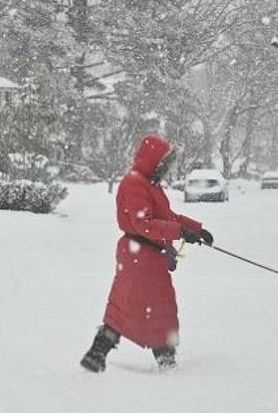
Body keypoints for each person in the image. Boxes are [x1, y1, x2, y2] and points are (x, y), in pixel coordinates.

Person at [80, 134, 214, 373]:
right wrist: (179, 232)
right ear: (153, 160)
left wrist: (196, 229)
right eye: (164, 163)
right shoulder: (134, 184)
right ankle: (156, 357)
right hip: (138, 256)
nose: (167, 168)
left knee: (147, 306)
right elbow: (144, 224)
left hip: (147, 257)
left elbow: (167, 217)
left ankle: (102, 353)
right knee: (135, 306)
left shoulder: (149, 184)